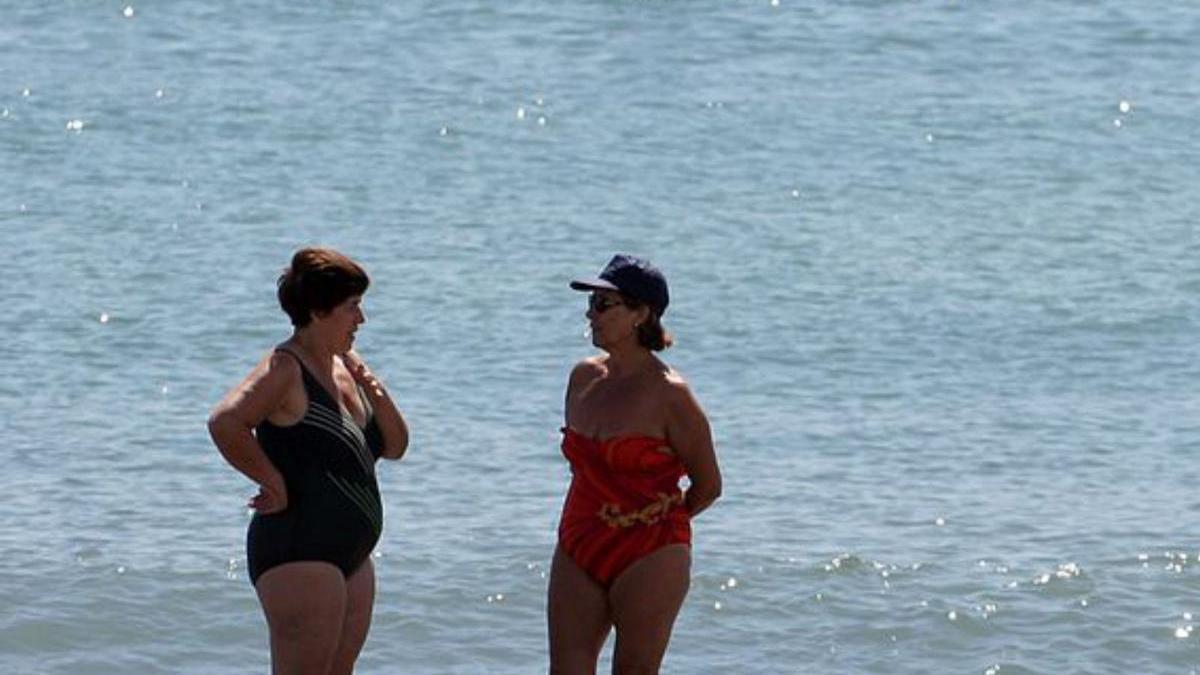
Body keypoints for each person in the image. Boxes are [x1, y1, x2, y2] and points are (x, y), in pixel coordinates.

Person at [207, 247, 409, 675]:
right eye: (353, 307)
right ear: (319, 311)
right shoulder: (284, 368)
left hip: (351, 553)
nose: (362, 320)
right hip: (298, 547)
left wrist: (371, 383)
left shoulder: (346, 369)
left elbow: (395, 446)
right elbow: (226, 422)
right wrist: (273, 482)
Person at [548, 254, 723, 674]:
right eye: (591, 304)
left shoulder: (672, 396)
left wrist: (649, 519)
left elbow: (708, 485)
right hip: (579, 537)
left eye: (604, 305)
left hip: (651, 548)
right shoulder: (582, 378)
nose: (591, 315)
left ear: (641, 314)